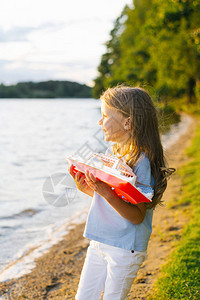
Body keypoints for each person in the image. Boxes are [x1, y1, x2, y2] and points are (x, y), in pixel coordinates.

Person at [69, 86, 175, 300]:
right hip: (100, 240)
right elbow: (117, 199)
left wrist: (105, 193)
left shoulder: (142, 162)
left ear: (128, 122)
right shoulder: (114, 152)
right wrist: (89, 189)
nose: (100, 122)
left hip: (125, 247)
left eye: (105, 116)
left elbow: (136, 216)